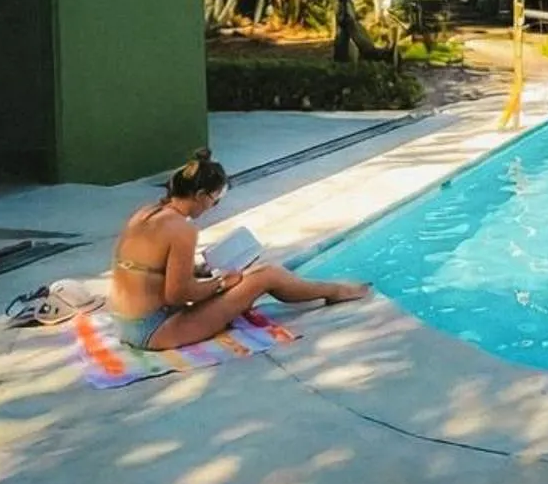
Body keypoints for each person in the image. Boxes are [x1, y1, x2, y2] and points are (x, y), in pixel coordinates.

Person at [108, 149, 370, 351]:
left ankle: (331, 290)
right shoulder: (182, 230)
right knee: (267, 275)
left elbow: (146, 268)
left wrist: (201, 271)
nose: (214, 206)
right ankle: (335, 291)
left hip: (125, 323)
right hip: (156, 330)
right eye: (215, 199)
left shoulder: (144, 214)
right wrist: (221, 283)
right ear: (200, 195)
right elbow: (178, 294)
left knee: (252, 275)